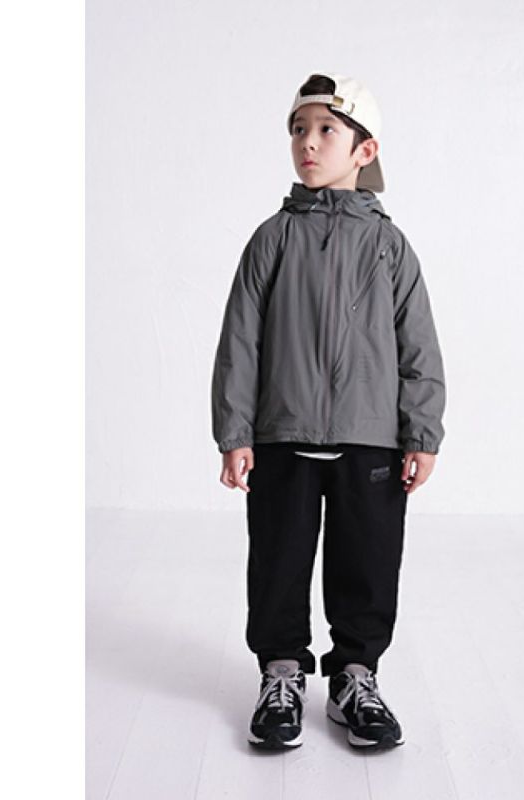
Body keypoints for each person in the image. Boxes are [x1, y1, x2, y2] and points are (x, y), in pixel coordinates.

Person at [210, 72, 446, 751]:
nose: (307, 144)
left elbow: (419, 346)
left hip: (371, 438)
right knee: (278, 561)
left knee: (367, 563)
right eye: (297, 130)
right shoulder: (273, 239)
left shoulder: (390, 247)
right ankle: (281, 674)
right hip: (281, 434)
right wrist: (235, 432)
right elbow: (240, 341)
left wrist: (422, 432)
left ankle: (354, 677)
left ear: (364, 151)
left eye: (325, 130)